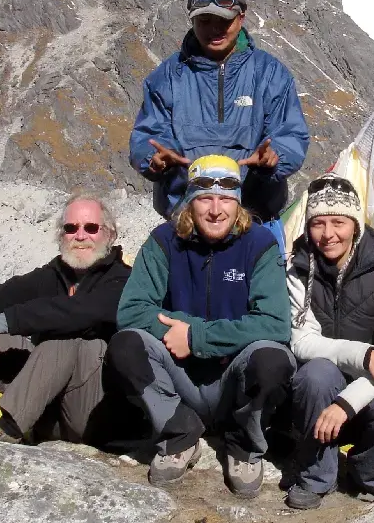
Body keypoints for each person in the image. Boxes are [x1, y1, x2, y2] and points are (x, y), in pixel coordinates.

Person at [106, 155, 295, 498]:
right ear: (189, 203)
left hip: (232, 377)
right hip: (180, 377)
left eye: (226, 199)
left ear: (238, 205)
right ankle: (179, 431)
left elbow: (275, 323)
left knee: (273, 359)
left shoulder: (259, 246)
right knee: (126, 344)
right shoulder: (164, 242)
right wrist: (181, 333)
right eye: (205, 198)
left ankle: (244, 443)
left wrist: (196, 336)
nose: (215, 209)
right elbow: (132, 310)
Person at [129, 0, 310, 249]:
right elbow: (147, 136)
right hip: (185, 223)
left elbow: (292, 134)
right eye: (205, 21)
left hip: (256, 222)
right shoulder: (166, 77)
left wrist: (275, 159)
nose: (214, 29)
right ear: (191, 18)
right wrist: (153, 159)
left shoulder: (270, 73)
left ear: (242, 17)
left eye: (223, 21)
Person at [283, 174, 374, 510]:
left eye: (338, 223)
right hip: (318, 396)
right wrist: (364, 354)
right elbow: (303, 342)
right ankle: (316, 475)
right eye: (318, 224)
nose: (328, 234)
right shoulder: (298, 270)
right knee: (316, 374)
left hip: (366, 397)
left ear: (355, 225)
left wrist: (346, 404)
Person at [0, 192, 132, 445]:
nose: (80, 236)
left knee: (64, 338)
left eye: (91, 227)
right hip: (48, 409)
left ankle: (5, 432)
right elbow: (0, 295)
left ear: (108, 234)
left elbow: (77, 312)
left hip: (92, 415)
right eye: (70, 228)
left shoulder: (123, 279)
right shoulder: (55, 274)